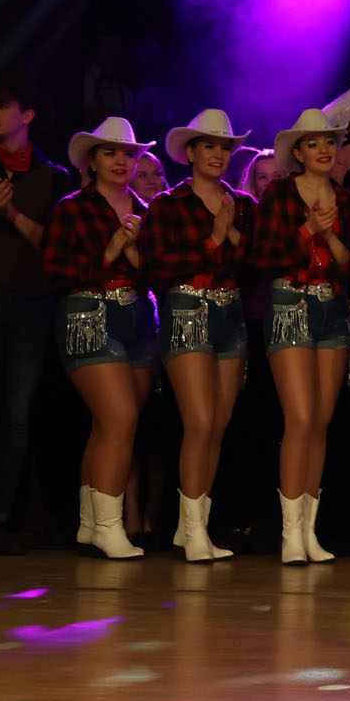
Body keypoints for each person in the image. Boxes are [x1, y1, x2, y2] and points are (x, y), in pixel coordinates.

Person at [0, 75, 72, 556]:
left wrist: (14, 217)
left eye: (2, 105)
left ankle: (2, 518)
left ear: (28, 115)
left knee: (18, 419)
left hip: (30, 303)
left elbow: (59, 248)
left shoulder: (53, 176)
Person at [140, 109, 256, 562]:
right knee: (200, 423)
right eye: (209, 146)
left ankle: (195, 529)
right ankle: (190, 530)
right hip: (187, 308)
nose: (218, 154)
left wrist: (232, 238)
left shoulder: (242, 204)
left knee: (218, 428)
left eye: (225, 147)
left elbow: (261, 262)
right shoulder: (167, 204)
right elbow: (158, 266)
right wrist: (213, 241)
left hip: (231, 313)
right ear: (190, 153)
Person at [41, 117, 159, 560]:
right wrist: (107, 254)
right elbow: (51, 272)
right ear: (91, 161)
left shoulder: (148, 211)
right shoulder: (72, 208)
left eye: (128, 153)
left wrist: (136, 255)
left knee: (109, 424)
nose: (121, 161)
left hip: (138, 317)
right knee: (119, 419)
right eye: (110, 153)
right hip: (88, 313)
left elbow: (165, 273)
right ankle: (110, 526)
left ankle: (91, 524)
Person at [253, 108, 350, 565]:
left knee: (320, 422)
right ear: (298, 152)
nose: (324, 149)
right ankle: (289, 533)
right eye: (313, 143)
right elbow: (263, 256)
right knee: (299, 418)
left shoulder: (345, 199)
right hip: (290, 303)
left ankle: (309, 531)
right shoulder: (279, 193)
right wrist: (308, 229)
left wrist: (329, 236)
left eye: (329, 142)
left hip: (332, 308)